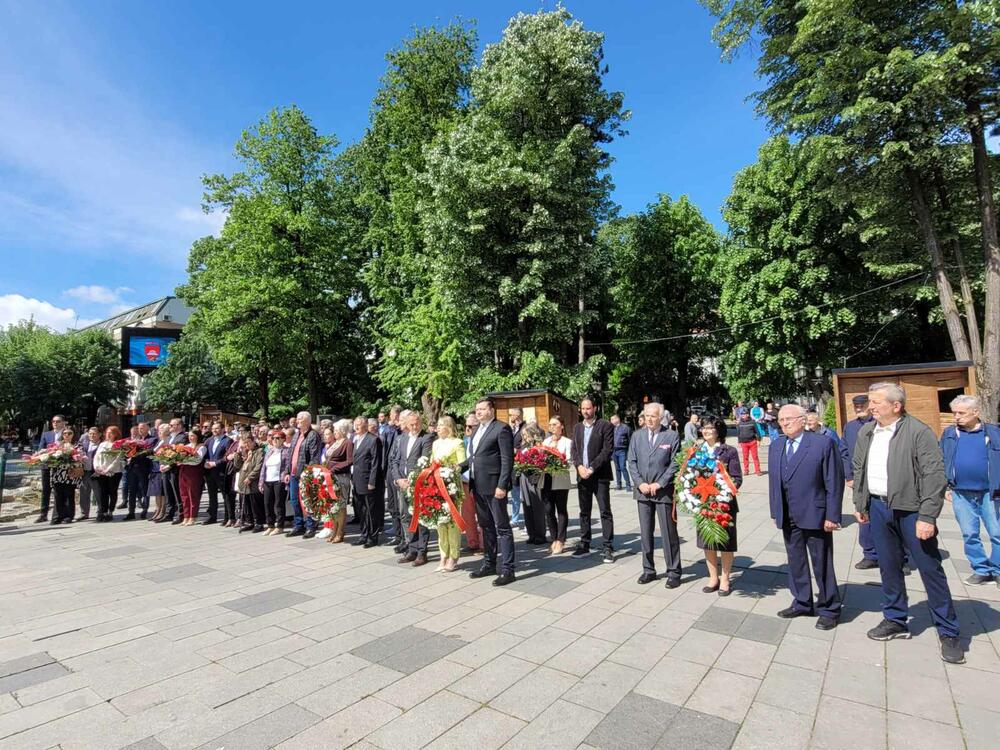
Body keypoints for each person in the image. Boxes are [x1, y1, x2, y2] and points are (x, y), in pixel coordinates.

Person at [853, 383, 963, 663]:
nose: (871, 406)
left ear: (896, 405)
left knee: (929, 568)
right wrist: (861, 504)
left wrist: (927, 516)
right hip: (878, 507)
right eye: (871, 402)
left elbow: (934, 476)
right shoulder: (867, 432)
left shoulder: (918, 432)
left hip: (911, 510)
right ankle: (895, 619)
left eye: (877, 402)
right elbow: (859, 469)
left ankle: (948, 630)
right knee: (889, 567)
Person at [768, 404, 843, 631]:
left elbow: (834, 481)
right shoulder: (777, 445)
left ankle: (830, 608)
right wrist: (775, 510)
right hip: (788, 514)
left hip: (815, 513)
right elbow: (774, 482)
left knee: (822, 562)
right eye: (781, 420)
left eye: (789, 419)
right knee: (796, 561)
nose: (784, 423)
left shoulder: (822, 443)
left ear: (802, 419)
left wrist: (832, 515)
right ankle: (802, 601)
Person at [941, 395, 1000, 587]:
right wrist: (945, 486)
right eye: (955, 413)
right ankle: (981, 570)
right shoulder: (950, 434)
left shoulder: (993, 433)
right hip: (960, 493)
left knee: (996, 533)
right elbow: (942, 459)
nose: (957, 417)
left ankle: (998, 570)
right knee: (969, 533)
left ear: (976, 412)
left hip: (990, 493)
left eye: (961, 413)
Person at [461, 397, 516, 586]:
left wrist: (502, 485)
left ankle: (508, 570)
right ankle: (489, 563)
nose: (478, 412)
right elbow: (474, 458)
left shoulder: (501, 429)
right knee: (485, 526)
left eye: (482, 409)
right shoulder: (476, 430)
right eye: (477, 409)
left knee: (502, 527)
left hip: (494, 487)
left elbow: (507, 460)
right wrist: (455, 468)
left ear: (492, 410)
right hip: (477, 486)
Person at [627, 402, 682, 586]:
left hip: (663, 492)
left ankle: (674, 571)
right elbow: (632, 462)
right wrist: (641, 483)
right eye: (647, 415)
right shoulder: (637, 436)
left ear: (660, 417)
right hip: (643, 492)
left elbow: (675, 463)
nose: (649, 419)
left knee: (668, 532)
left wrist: (660, 483)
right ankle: (648, 569)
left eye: (653, 416)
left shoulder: (671, 436)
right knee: (645, 533)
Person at [695, 416, 743, 595]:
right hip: (703, 504)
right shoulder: (697, 450)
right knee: (707, 541)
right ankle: (713, 577)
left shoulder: (728, 451)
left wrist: (724, 492)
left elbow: (737, 478)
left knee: (725, 542)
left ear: (718, 430)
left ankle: (725, 578)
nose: (706, 431)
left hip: (723, 505)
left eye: (710, 428)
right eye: (703, 428)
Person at [571, 398, 616, 562]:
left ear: (595, 408)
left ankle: (608, 546)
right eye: (583, 408)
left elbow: (607, 450)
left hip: (599, 475)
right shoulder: (577, 428)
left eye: (588, 408)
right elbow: (574, 450)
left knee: (604, 510)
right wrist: (579, 466)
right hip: (582, 475)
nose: (585, 411)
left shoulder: (605, 425)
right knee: (584, 511)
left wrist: (591, 468)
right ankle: (585, 544)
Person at [394, 412, 434, 564]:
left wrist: (411, 480)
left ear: (421, 423)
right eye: (411, 424)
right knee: (407, 516)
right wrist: (398, 479)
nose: (414, 426)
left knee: (421, 518)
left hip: (418, 484)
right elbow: (396, 461)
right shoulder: (403, 437)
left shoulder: (426, 438)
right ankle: (412, 549)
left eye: (416, 423)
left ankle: (422, 552)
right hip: (402, 484)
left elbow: (424, 461)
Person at [431, 416, 467, 571]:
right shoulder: (436, 443)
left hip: (451, 488)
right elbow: (431, 463)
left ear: (449, 427)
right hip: (437, 488)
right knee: (440, 523)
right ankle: (443, 555)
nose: (437, 428)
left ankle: (453, 556)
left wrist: (451, 470)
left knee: (451, 523)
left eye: (441, 425)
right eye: (437, 425)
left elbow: (462, 464)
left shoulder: (457, 443)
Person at [287, 411, 322, 539]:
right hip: (293, 474)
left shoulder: (313, 435)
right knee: (295, 500)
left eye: (300, 419)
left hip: (305, 474)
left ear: (307, 420)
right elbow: (291, 454)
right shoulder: (297, 435)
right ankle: (298, 525)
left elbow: (314, 458)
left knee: (307, 501)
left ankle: (311, 526)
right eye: (297, 419)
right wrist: (287, 471)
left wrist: (308, 474)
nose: (297, 421)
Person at [542, 415, 573, 554]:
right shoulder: (545, 441)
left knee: (561, 510)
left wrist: (557, 459)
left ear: (562, 426)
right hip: (546, 480)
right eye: (550, 425)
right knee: (548, 511)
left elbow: (569, 461)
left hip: (560, 480)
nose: (552, 427)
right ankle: (553, 538)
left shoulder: (568, 442)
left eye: (555, 424)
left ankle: (561, 540)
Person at [351, 415, 384, 548]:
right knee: (361, 509)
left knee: (371, 510)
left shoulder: (373, 440)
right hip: (358, 479)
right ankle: (364, 534)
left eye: (359, 424)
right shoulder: (356, 440)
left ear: (365, 425)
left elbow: (376, 462)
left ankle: (373, 536)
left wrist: (372, 481)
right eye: (355, 424)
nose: (357, 426)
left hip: (368, 480)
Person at [516, 423, 549, 546]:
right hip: (524, 477)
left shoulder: (539, 446)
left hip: (535, 478)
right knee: (527, 505)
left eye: (526, 435)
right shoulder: (523, 446)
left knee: (537, 506)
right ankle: (531, 533)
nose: (524, 437)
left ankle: (540, 534)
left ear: (532, 434)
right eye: (523, 435)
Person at [323, 420, 354, 543]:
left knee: (340, 506)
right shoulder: (335, 443)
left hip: (341, 477)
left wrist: (335, 468)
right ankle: (334, 529)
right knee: (332, 506)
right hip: (330, 477)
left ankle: (340, 531)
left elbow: (349, 461)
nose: (334, 433)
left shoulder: (348, 443)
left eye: (336, 430)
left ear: (342, 431)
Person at [35, 414, 66, 523]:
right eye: (53, 421)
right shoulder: (46, 434)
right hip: (46, 465)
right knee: (46, 489)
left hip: (60, 466)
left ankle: (59, 514)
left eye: (58, 421)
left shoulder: (67, 434)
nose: (55, 423)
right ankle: (43, 514)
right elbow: (41, 448)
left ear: (63, 423)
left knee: (59, 490)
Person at [260, 429, 291, 536]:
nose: (274, 440)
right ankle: (270, 525)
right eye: (273, 438)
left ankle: (280, 526)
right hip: (268, 480)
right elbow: (264, 467)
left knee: (279, 504)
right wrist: (261, 482)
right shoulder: (269, 451)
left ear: (283, 439)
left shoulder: (287, 451)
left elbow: (288, 466)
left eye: (277, 438)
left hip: (279, 480)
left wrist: (286, 474)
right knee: (267, 503)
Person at [232, 434, 265, 533]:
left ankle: (259, 523)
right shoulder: (246, 452)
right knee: (246, 504)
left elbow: (258, 466)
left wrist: (250, 477)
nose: (247, 445)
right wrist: (238, 453)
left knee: (255, 504)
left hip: (253, 482)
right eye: (244, 443)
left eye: (248, 442)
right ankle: (249, 521)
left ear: (253, 441)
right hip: (244, 481)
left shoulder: (259, 451)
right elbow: (237, 466)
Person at [50, 427, 82, 524]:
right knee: (58, 495)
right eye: (65, 433)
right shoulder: (57, 445)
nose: (67, 435)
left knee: (69, 495)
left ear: (73, 434)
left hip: (70, 473)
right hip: (58, 474)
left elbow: (80, 458)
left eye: (69, 433)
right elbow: (51, 457)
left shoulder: (77, 446)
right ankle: (57, 516)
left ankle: (68, 516)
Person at [93, 425, 125, 523]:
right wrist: (97, 467)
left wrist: (108, 469)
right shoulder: (102, 444)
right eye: (107, 432)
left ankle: (111, 511)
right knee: (103, 492)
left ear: (116, 434)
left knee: (112, 491)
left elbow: (117, 459)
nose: (109, 434)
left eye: (111, 432)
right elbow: (96, 457)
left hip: (114, 472)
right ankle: (103, 512)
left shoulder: (118, 444)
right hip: (101, 471)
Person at [203, 421, 232, 526]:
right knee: (212, 495)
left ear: (223, 429)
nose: (214, 430)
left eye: (217, 428)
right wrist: (206, 462)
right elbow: (204, 454)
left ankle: (227, 517)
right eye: (213, 428)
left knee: (225, 496)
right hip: (209, 472)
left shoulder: (228, 441)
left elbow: (227, 457)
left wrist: (215, 463)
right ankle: (212, 516)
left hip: (221, 472)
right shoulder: (209, 440)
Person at [124, 422, 155, 520]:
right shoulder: (134, 440)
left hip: (144, 468)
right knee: (131, 490)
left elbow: (151, 452)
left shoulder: (152, 439)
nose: (140, 430)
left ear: (147, 429)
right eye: (139, 428)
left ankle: (144, 510)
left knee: (144, 490)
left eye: (142, 428)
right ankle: (131, 512)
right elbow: (127, 453)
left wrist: (138, 451)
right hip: (132, 468)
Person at [461, 414, 482, 553]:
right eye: (466, 426)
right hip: (465, 480)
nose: (468, 429)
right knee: (467, 514)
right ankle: (472, 542)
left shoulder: (481, 439)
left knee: (481, 513)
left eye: (471, 426)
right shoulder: (463, 440)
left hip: (479, 480)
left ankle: (483, 544)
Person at [159, 418, 187, 523]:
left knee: (177, 493)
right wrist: (162, 464)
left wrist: (169, 465)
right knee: (168, 492)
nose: (170, 427)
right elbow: (162, 452)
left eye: (172, 425)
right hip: (165, 469)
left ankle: (181, 514)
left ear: (179, 426)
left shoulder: (183, 437)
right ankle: (168, 514)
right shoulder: (169, 438)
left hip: (175, 469)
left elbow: (179, 454)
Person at [381, 409, 402, 548]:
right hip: (389, 468)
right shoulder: (389, 430)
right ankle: (397, 534)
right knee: (392, 504)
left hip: (399, 471)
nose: (392, 417)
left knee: (400, 505)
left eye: (395, 414)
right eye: (392, 414)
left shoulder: (401, 432)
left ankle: (403, 536)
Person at [177, 430, 207, 526]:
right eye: (189, 436)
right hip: (184, 472)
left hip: (194, 473)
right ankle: (186, 517)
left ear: (198, 436)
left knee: (193, 495)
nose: (191, 437)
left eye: (193, 435)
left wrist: (183, 461)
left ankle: (192, 517)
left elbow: (197, 460)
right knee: (184, 495)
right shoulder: (186, 446)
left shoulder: (201, 447)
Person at [147, 424, 171, 522]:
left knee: (162, 492)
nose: (159, 431)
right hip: (155, 468)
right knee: (156, 492)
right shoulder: (159, 441)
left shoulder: (167, 440)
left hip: (162, 468)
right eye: (159, 429)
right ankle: (157, 510)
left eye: (162, 429)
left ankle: (162, 510)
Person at [77, 426, 101, 521]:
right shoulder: (84, 444)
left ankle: (100, 512)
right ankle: (84, 513)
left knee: (98, 493)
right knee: (84, 493)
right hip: (85, 472)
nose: (92, 435)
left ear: (99, 435)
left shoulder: (101, 445)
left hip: (95, 472)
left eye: (94, 434)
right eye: (90, 434)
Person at [508, 407, 525, 529]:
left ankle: (521, 519)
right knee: (514, 493)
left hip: (522, 464)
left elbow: (531, 445)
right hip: (510, 465)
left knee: (522, 493)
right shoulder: (510, 429)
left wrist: (517, 450)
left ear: (518, 415)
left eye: (512, 415)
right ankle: (514, 518)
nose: (511, 417)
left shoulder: (526, 428)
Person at [610, 415, 632, 491]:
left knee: (623, 467)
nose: (611, 421)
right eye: (611, 419)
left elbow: (630, 440)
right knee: (617, 468)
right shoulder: (612, 428)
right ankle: (619, 484)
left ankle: (628, 485)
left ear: (618, 419)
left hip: (622, 450)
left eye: (613, 419)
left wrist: (630, 451)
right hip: (614, 451)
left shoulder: (625, 428)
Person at [736, 411, 761, 475]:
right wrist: (739, 442)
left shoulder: (752, 422)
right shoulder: (739, 423)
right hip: (744, 443)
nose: (743, 415)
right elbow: (738, 433)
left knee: (755, 457)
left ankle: (758, 470)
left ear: (748, 415)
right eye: (742, 414)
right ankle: (746, 470)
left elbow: (757, 431)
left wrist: (758, 440)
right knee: (745, 457)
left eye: (744, 414)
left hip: (752, 442)